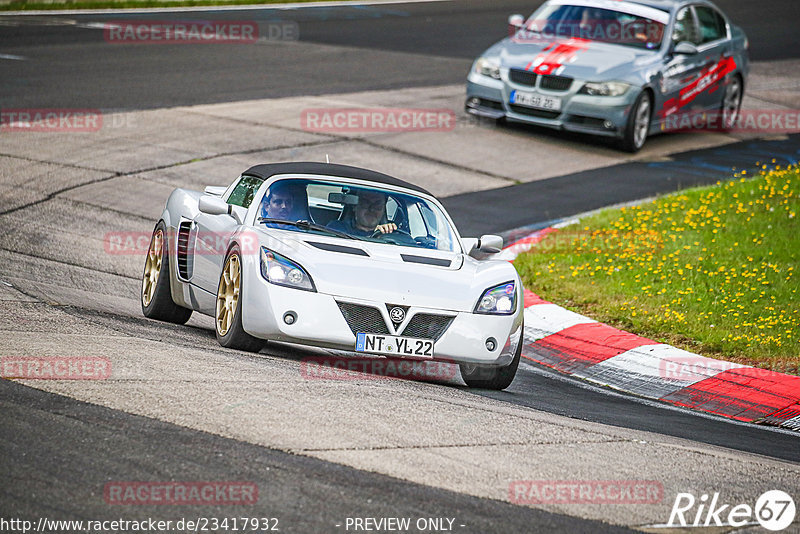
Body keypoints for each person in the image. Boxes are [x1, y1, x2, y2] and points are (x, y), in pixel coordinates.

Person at [328, 189, 398, 238]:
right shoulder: (337, 228)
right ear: (355, 207)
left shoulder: (390, 234)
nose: (371, 209)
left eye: (377, 205)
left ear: (383, 210)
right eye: (365, 203)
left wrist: (387, 235)